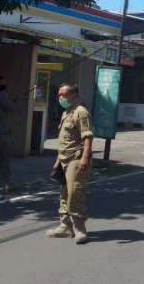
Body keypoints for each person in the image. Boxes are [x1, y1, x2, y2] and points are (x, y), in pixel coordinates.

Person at [46, 84, 93, 244]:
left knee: (75, 193)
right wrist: (58, 160)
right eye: (59, 95)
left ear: (74, 96)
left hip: (76, 158)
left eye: (64, 95)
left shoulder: (81, 112)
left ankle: (80, 228)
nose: (60, 98)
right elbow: (65, 139)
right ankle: (65, 227)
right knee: (64, 193)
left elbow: (87, 137)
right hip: (64, 159)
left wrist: (85, 158)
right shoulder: (67, 112)